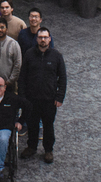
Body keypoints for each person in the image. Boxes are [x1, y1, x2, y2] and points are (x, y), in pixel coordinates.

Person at [19, 26, 66, 164]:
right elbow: (22, 77)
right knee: (32, 125)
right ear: (37, 39)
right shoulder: (29, 54)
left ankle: (48, 150)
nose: (43, 40)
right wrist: (22, 97)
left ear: (49, 39)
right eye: (40, 37)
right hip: (31, 100)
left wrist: (59, 97)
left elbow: (62, 78)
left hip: (49, 100)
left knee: (48, 126)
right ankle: (31, 147)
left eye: (45, 37)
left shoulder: (57, 56)